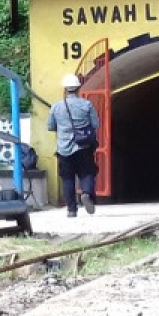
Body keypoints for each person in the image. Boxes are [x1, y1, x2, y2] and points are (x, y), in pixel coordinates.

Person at [47, 73, 100, 217]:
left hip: (64, 149)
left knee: (68, 178)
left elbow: (50, 126)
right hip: (83, 147)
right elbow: (96, 124)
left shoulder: (56, 107)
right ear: (78, 88)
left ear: (65, 89)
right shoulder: (87, 104)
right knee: (87, 173)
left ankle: (71, 210)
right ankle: (87, 194)